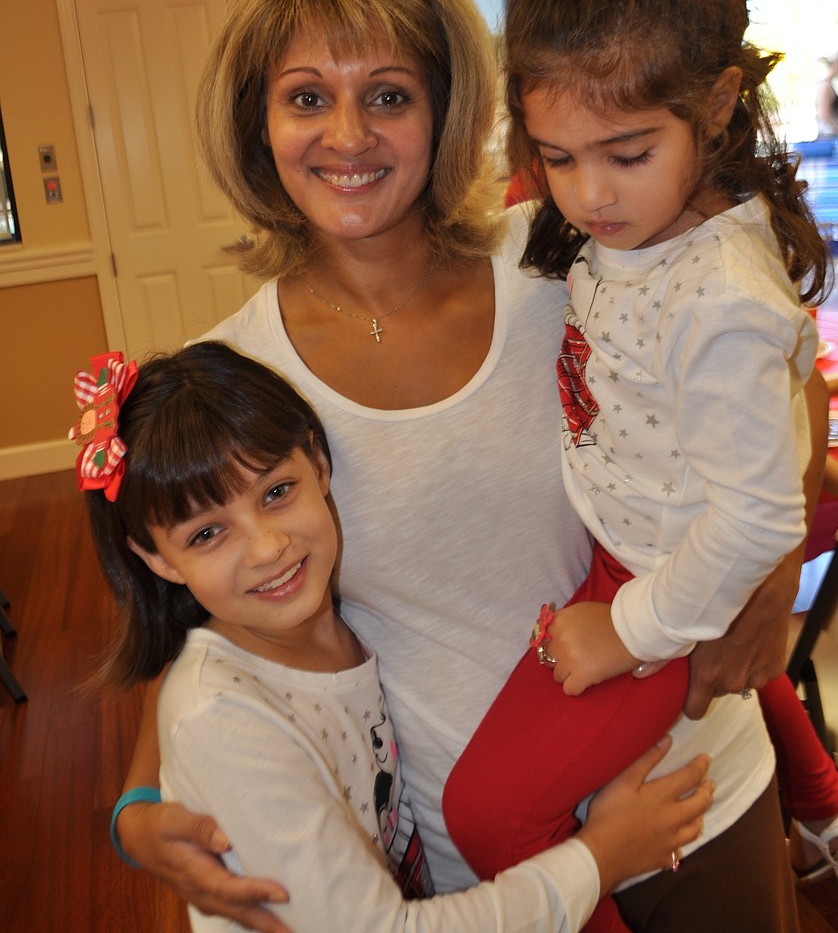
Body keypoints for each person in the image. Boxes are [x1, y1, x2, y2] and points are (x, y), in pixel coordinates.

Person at [111, 0, 811, 933]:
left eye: (389, 94)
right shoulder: (231, 379)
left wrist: (775, 566)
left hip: (692, 790)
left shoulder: (565, 253)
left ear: (445, 113)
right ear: (258, 123)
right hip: (485, 869)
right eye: (306, 96)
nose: (347, 134)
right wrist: (139, 808)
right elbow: (211, 624)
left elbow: (762, 362)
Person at [443, 0, 838, 930]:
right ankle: (827, 811)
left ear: (717, 103)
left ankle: (820, 814)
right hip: (634, 545)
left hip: (649, 586)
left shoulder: (716, 295)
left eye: (623, 153)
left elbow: (762, 512)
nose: (586, 194)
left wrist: (626, 629)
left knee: (484, 818)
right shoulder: (642, 229)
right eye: (557, 158)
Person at [74, 342, 714, 932]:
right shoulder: (223, 716)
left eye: (276, 492)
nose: (267, 547)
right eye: (206, 534)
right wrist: (600, 857)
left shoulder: (330, 631)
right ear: (155, 559)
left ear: (320, 464)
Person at [815, 50, 838, 142]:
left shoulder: (827, 85)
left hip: (832, 137)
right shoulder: (825, 86)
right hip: (829, 137)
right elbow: (824, 116)